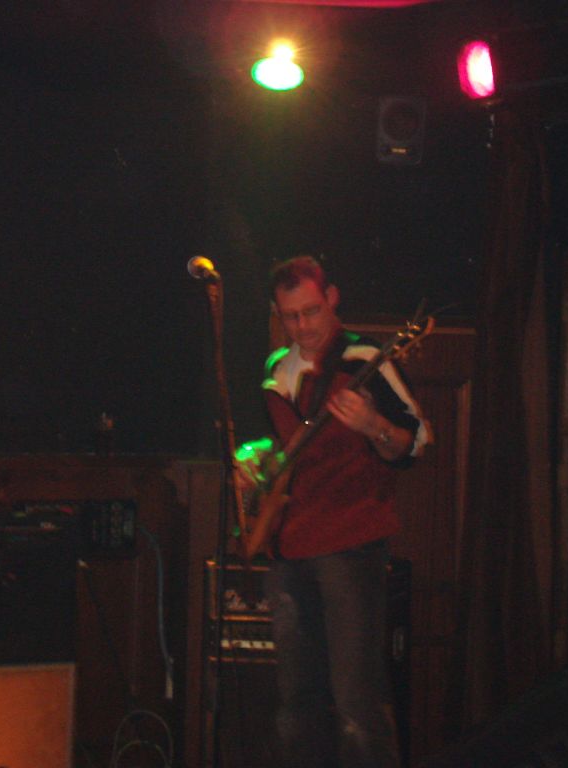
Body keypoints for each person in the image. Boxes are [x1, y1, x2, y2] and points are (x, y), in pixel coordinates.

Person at [236, 255, 431, 768]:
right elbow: (286, 451)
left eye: (312, 311)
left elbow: (416, 442)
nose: (303, 326)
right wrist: (254, 459)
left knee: (356, 703)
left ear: (332, 299)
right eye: (290, 316)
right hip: (289, 546)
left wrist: (373, 426)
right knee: (297, 705)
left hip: (350, 543)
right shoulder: (276, 370)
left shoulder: (366, 358)